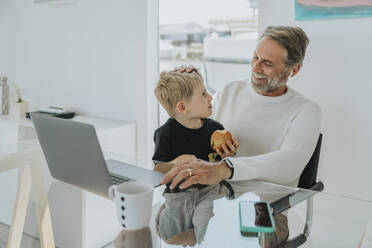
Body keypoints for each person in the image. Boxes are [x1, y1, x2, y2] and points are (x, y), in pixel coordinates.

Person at [160, 26, 321, 247]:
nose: (255, 67)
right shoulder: (230, 91)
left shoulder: (306, 111)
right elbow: (189, 126)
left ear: (293, 70)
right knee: (161, 224)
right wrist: (182, 90)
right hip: (207, 195)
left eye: (267, 63)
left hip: (264, 208)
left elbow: (289, 163)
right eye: (255, 57)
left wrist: (227, 167)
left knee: (222, 238)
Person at [152, 69, 238, 244]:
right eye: (204, 94)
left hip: (209, 192)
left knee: (208, 223)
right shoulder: (165, 133)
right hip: (178, 196)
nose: (211, 98)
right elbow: (158, 169)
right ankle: (189, 231)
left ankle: (201, 236)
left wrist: (230, 155)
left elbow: (225, 164)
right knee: (167, 234)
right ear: (182, 107)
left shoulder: (216, 129)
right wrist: (175, 163)